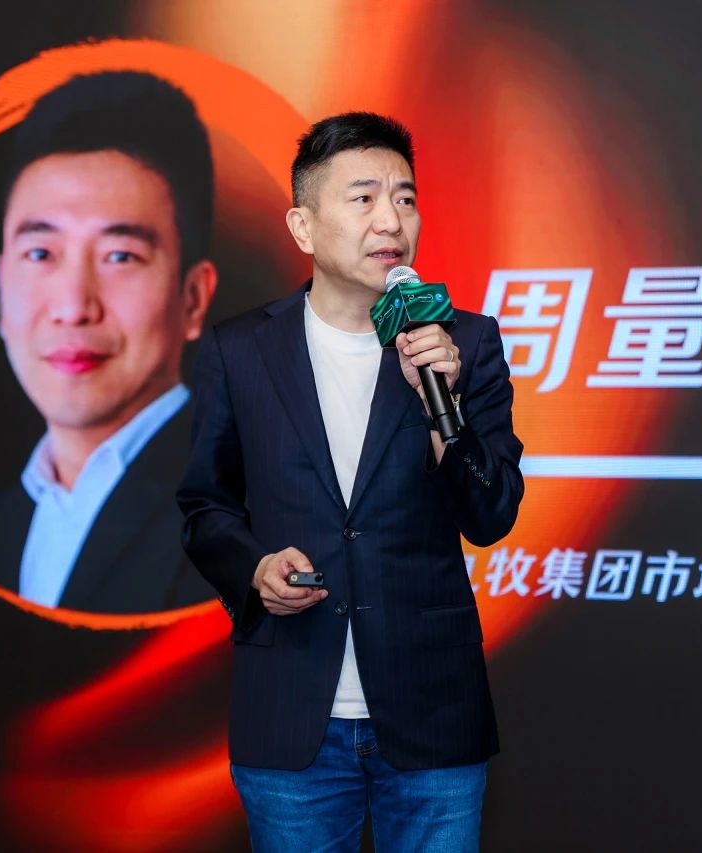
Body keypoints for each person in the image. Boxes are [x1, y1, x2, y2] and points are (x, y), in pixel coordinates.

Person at [176, 112, 524, 851]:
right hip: (290, 710)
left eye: (405, 198)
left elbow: (492, 514)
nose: (390, 220)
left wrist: (445, 414)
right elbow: (204, 505)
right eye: (363, 198)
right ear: (303, 226)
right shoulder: (242, 350)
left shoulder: (465, 343)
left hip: (432, 713)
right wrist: (254, 568)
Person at [0, 72, 218, 614]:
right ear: (1, 283)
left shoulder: (247, 515)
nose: (73, 306)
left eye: (120, 257)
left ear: (192, 298)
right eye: (41, 254)